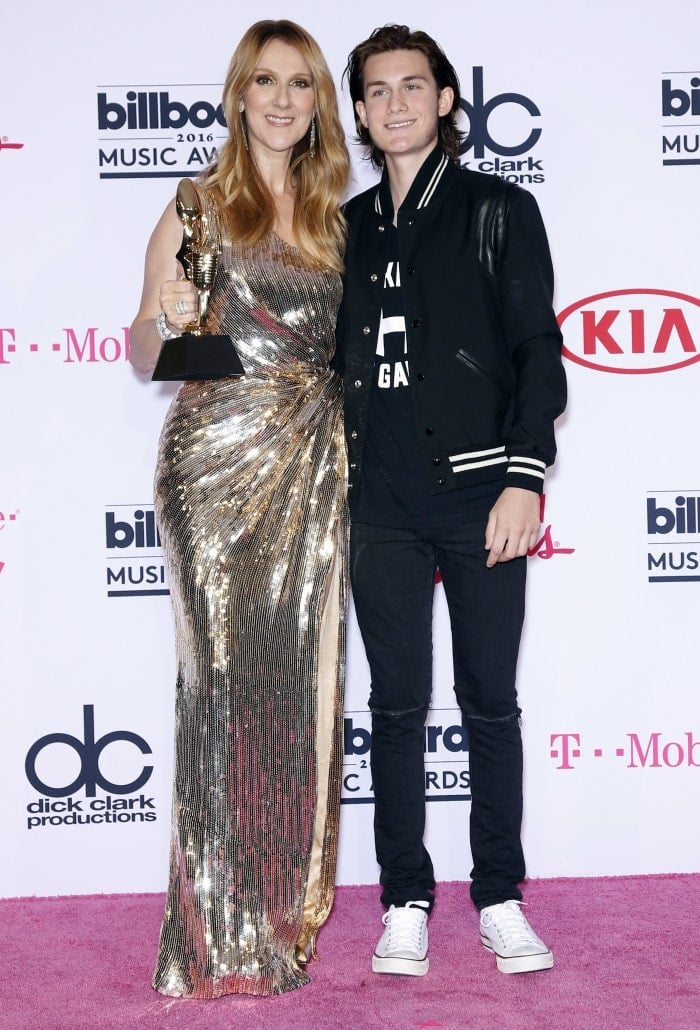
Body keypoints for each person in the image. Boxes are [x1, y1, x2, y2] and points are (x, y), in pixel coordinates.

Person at [336, 25, 567, 977]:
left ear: (444, 101)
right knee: (394, 706)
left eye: (412, 86)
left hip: (482, 496)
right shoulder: (342, 228)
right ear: (358, 111)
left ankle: (501, 895)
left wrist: (525, 474)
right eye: (377, 91)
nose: (395, 104)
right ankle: (404, 899)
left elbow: (537, 355)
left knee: (491, 703)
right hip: (376, 504)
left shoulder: (497, 208)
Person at [129, 20, 350, 998]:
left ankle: (270, 926)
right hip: (212, 465)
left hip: (311, 469)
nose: (281, 99)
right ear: (237, 93)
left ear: (316, 104)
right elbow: (144, 351)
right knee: (218, 689)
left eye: (300, 84)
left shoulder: (343, 215)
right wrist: (162, 322)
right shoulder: (195, 206)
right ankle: (208, 935)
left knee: (289, 693)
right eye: (265, 80)